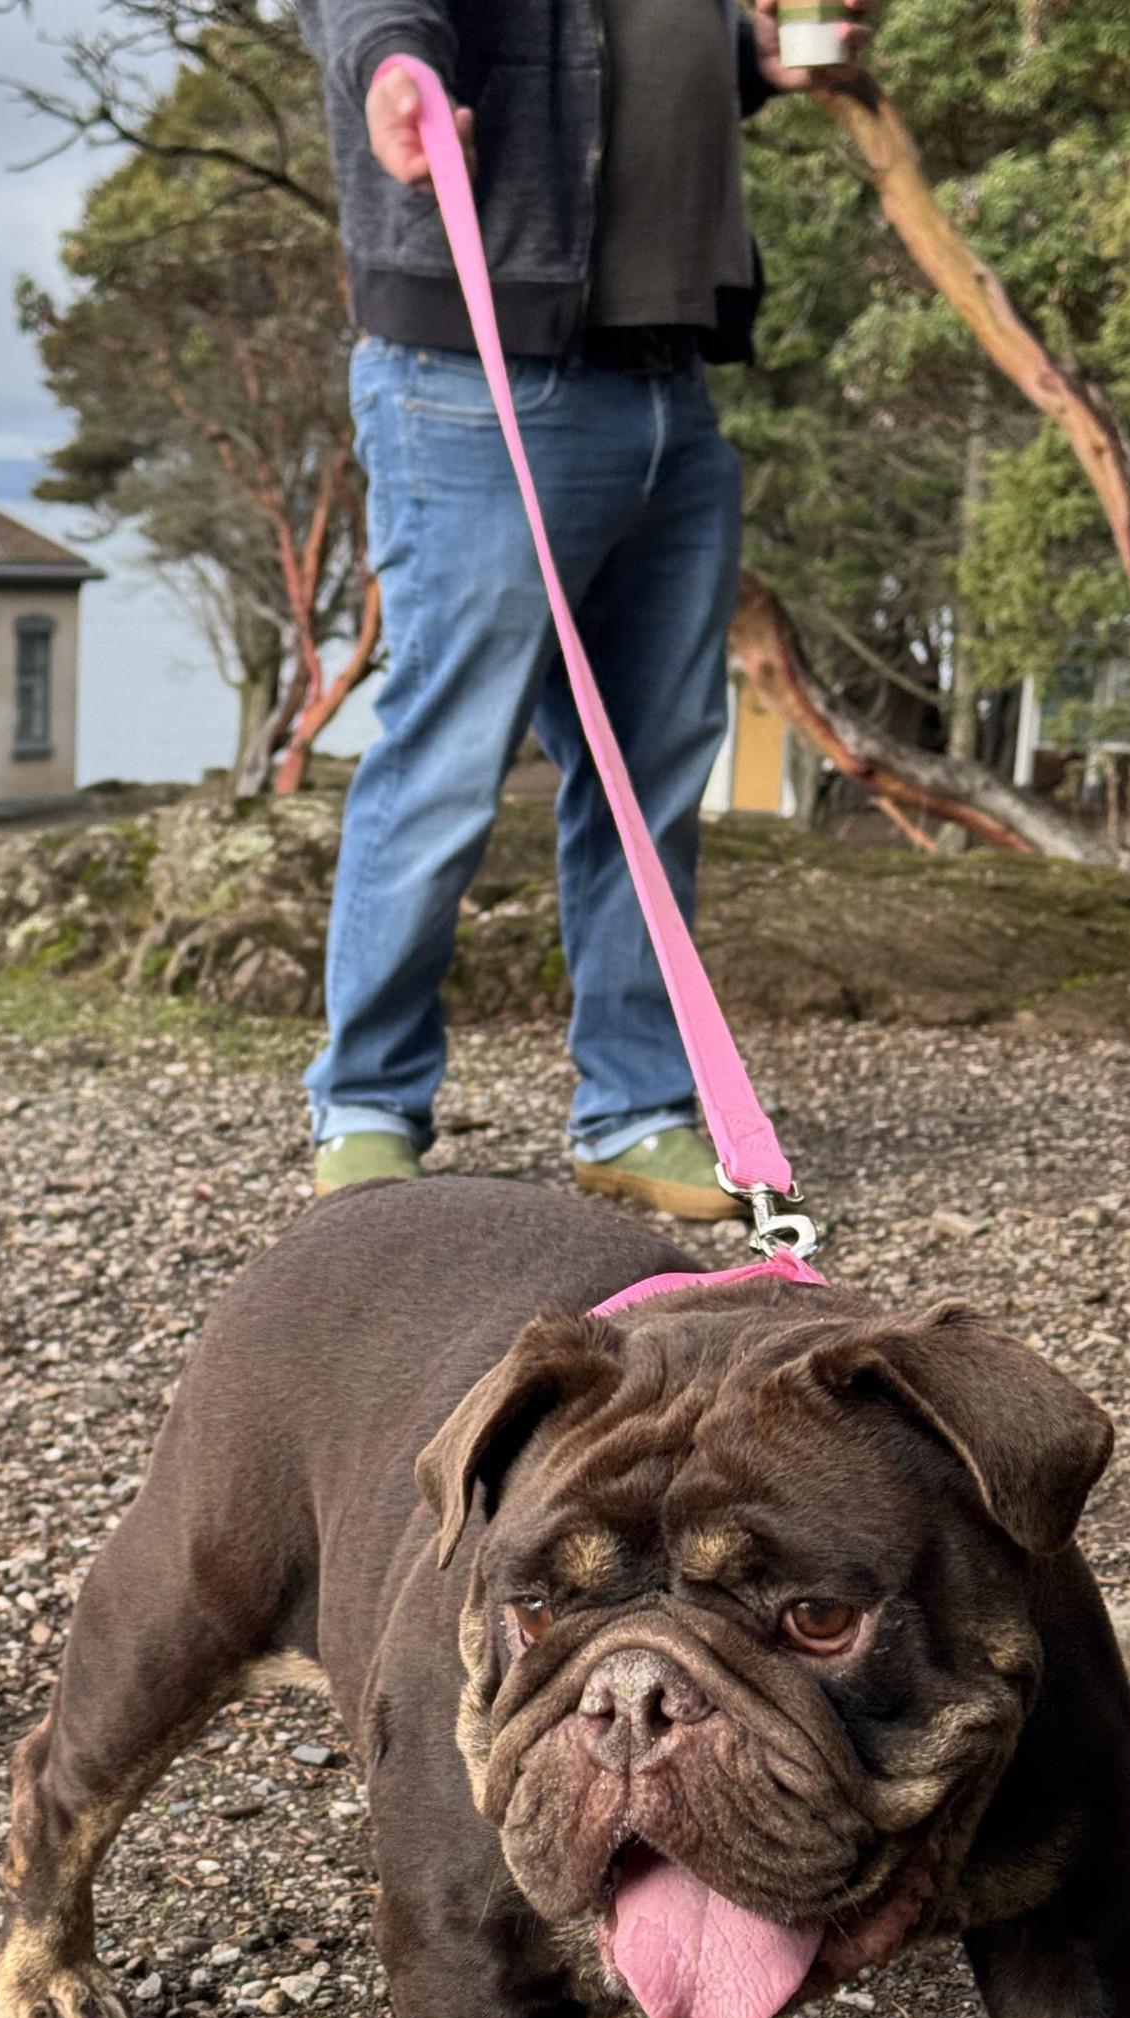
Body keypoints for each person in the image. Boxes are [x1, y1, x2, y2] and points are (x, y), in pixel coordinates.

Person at [297, 0, 867, 1217]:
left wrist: (746, 59)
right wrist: (392, 62)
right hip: (474, 376)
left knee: (652, 771)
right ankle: (366, 1108)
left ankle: (638, 1110)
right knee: (449, 756)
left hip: (671, 381)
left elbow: (636, 54)